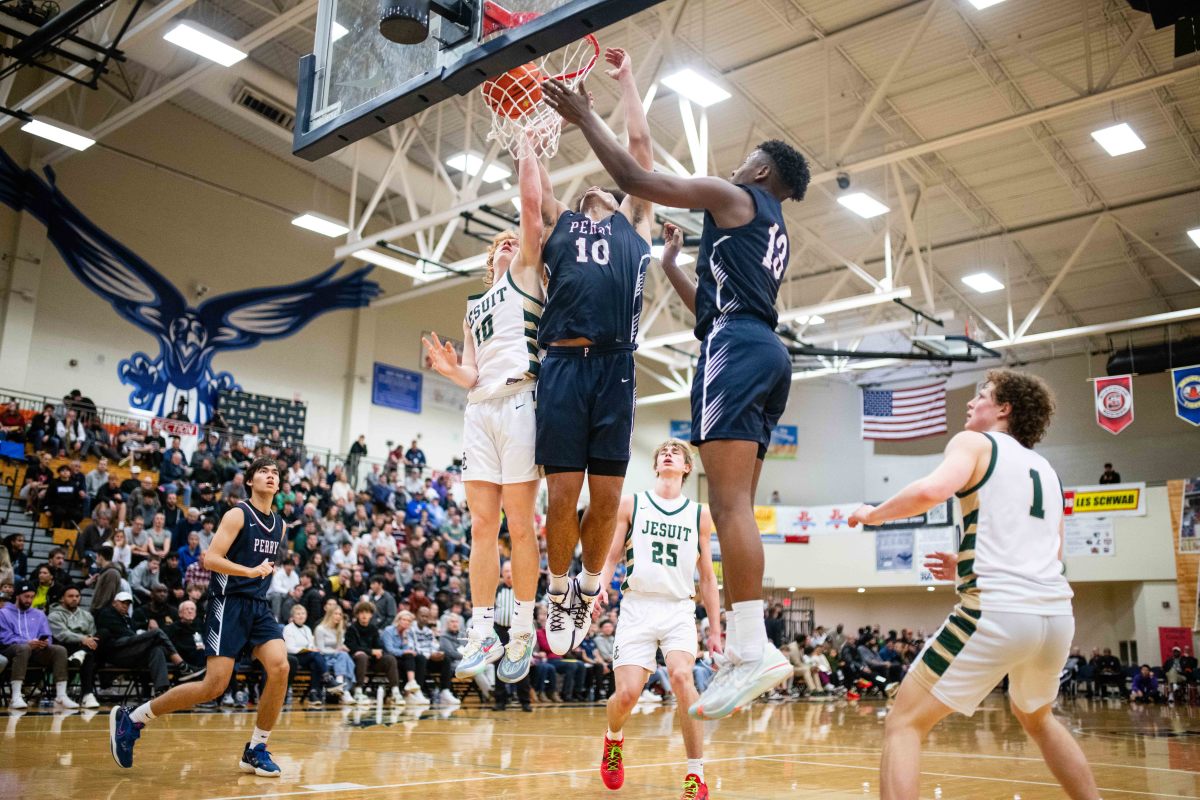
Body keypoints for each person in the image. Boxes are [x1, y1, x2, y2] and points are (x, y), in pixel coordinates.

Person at [543, 75, 809, 719]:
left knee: (728, 505)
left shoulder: (734, 193)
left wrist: (584, 116)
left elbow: (637, 177)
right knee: (737, 502)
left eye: (748, 159)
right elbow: (715, 313)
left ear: (762, 169)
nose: (737, 164)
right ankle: (751, 646)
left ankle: (752, 647)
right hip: (761, 349)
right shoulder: (773, 230)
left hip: (739, 353)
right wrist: (669, 264)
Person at [847, 369, 1099, 800]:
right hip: (1055, 617)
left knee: (904, 723)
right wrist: (967, 563)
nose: (970, 403)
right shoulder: (1048, 470)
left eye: (981, 395)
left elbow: (932, 490)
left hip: (997, 612)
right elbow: (1051, 555)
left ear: (1004, 409)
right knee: (1038, 719)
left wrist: (874, 514)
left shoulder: (975, 443)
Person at [529, 49, 656, 658]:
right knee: (560, 495)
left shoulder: (634, 222)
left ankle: (585, 586)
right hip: (560, 364)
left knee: (606, 499)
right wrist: (527, 122)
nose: (597, 191)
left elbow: (639, 146)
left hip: (615, 366)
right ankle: (556, 592)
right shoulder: (558, 224)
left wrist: (628, 80)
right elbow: (536, 193)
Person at [422, 140, 543, 688]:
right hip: (480, 407)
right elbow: (474, 372)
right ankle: (481, 631)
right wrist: (451, 372)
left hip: (520, 401)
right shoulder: (474, 306)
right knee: (480, 526)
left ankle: (521, 628)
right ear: (489, 254)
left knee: (520, 524)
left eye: (515, 241)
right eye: (502, 242)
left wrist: (525, 151)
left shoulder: (526, 278)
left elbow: (530, 209)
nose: (509, 244)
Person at [109, 456, 289, 777]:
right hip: (228, 604)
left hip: (257, 607)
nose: (271, 476)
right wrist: (248, 571)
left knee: (280, 666)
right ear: (250, 481)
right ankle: (133, 719)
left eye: (275, 473)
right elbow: (211, 559)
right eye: (263, 471)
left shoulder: (280, 524)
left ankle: (256, 748)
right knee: (213, 687)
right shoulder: (238, 514)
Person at [596, 438, 721, 799]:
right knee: (626, 696)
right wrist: (602, 585)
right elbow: (611, 556)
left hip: (679, 608)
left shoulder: (700, 513)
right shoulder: (632, 504)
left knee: (683, 677)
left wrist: (714, 629)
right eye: (662, 452)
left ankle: (695, 775)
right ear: (655, 466)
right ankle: (613, 738)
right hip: (637, 606)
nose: (668, 454)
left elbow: (708, 578)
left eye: (676, 453)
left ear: (686, 467)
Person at [0, 580, 76, 709]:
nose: (29, 600)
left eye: (32, 597)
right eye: (26, 596)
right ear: (17, 595)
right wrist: (27, 642)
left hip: (36, 650)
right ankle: (16, 695)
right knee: (23, 648)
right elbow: (5, 637)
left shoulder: (39, 614)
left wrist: (44, 643)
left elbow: (47, 634)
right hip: (11, 649)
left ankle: (61, 696)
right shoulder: (4, 613)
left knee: (60, 650)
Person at [47, 584, 100, 707]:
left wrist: (87, 640)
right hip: (65, 648)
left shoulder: (87, 615)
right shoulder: (54, 615)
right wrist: (83, 639)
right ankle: (87, 694)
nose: (75, 599)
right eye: (70, 596)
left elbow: (92, 634)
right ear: (62, 599)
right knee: (89, 653)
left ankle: (81, 654)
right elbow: (62, 634)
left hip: (84, 647)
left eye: (77, 596)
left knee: (102, 636)